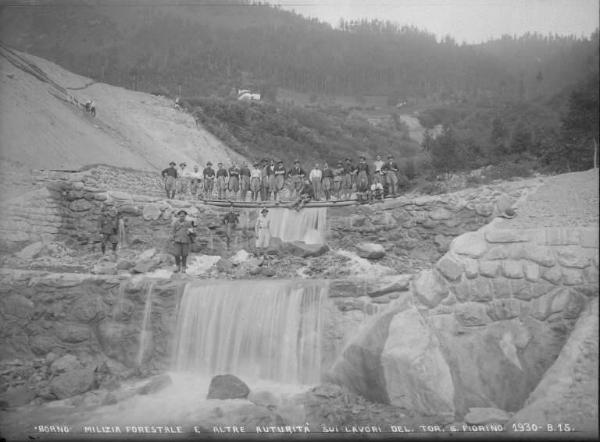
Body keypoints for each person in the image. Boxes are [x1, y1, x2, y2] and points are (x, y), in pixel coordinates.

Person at [170, 209, 196, 273]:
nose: (182, 217)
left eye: (183, 216)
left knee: (184, 254)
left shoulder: (188, 223)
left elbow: (192, 231)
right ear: (178, 216)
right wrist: (173, 239)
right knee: (176, 254)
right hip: (177, 240)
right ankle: (177, 266)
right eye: (181, 216)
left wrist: (190, 232)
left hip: (185, 240)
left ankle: (183, 267)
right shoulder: (175, 223)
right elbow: (173, 232)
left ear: (185, 216)